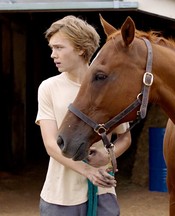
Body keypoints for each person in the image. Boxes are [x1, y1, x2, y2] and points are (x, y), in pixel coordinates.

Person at [35, 15, 131, 216]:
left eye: (59, 48)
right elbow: (51, 145)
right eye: (52, 48)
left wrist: (108, 155)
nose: (53, 54)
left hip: (103, 192)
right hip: (61, 196)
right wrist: (88, 171)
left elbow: (125, 137)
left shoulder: (109, 88)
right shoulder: (48, 88)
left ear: (80, 49)